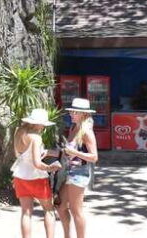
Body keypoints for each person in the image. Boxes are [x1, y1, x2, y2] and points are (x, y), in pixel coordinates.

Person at [9, 108, 61, 238]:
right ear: (36, 123)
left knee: (26, 213)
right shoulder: (36, 137)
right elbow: (37, 164)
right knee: (49, 210)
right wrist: (51, 167)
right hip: (36, 177)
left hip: (20, 175)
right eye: (42, 123)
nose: (43, 126)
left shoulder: (19, 132)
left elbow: (21, 155)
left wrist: (44, 153)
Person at [58, 98, 98, 238]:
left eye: (75, 112)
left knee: (76, 210)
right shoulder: (74, 127)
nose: (71, 114)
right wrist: (51, 152)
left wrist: (74, 153)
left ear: (83, 114)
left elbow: (94, 157)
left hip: (79, 172)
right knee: (61, 206)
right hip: (69, 171)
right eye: (71, 111)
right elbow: (67, 151)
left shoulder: (86, 131)